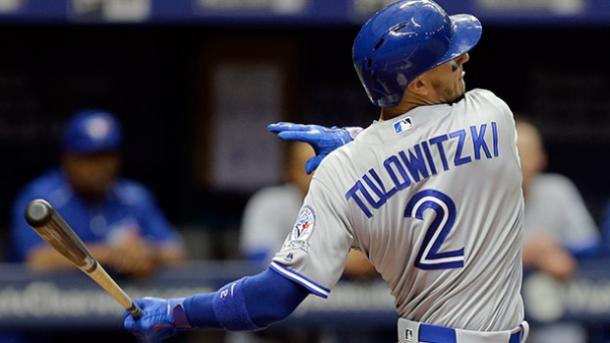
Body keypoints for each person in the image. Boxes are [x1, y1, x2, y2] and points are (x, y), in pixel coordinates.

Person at [123, 1, 529, 342]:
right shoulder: (492, 114)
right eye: (448, 57)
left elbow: (270, 299)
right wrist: (352, 138)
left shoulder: (339, 174)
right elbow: (427, 139)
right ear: (419, 85)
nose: (464, 57)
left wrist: (178, 311)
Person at [10, 109, 184, 278]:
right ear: (67, 158)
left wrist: (148, 253)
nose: (100, 167)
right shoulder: (41, 198)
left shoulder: (135, 197)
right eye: (89, 157)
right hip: (45, 302)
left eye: (107, 156)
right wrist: (111, 254)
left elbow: (176, 253)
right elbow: (37, 259)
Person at [516, 119, 600, 343]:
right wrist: (523, 254)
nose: (519, 160)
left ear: (541, 158)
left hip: (554, 315)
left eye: (525, 152)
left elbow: (590, 245)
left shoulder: (558, 190)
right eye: (511, 151)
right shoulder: (481, 198)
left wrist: (556, 249)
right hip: (500, 316)